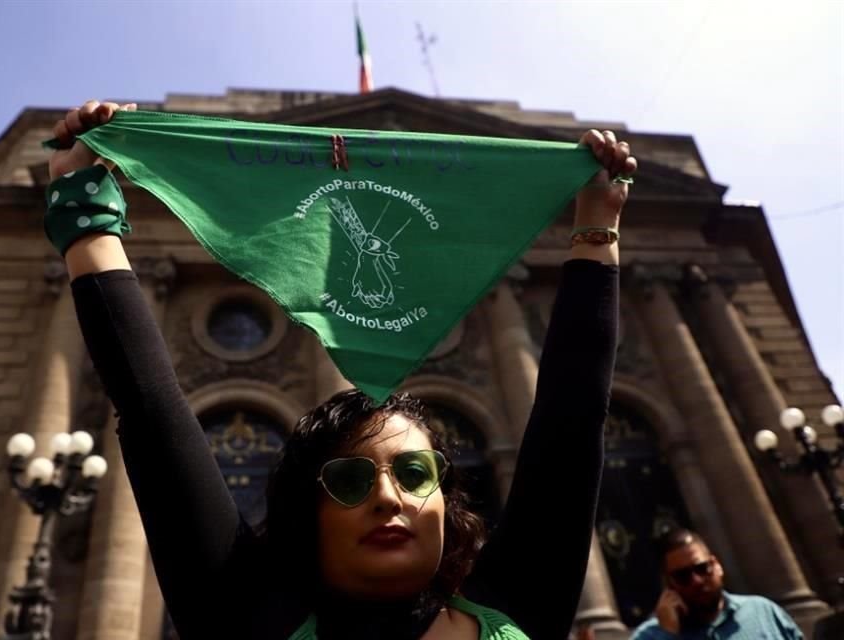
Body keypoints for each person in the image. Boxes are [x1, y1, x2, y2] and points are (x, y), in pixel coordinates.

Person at [48, 100, 637, 640]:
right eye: (351, 481)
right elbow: (152, 412)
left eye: (413, 473)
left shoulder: (519, 600)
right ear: (310, 514)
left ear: (446, 502)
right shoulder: (248, 617)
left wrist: (597, 225)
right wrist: (84, 211)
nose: (389, 497)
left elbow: (572, 415)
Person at [630, 529, 804, 640]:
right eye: (682, 576)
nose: (696, 580)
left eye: (702, 568)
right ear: (669, 583)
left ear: (716, 565)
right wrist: (667, 635)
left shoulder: (763, 611)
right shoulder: (648, 636)